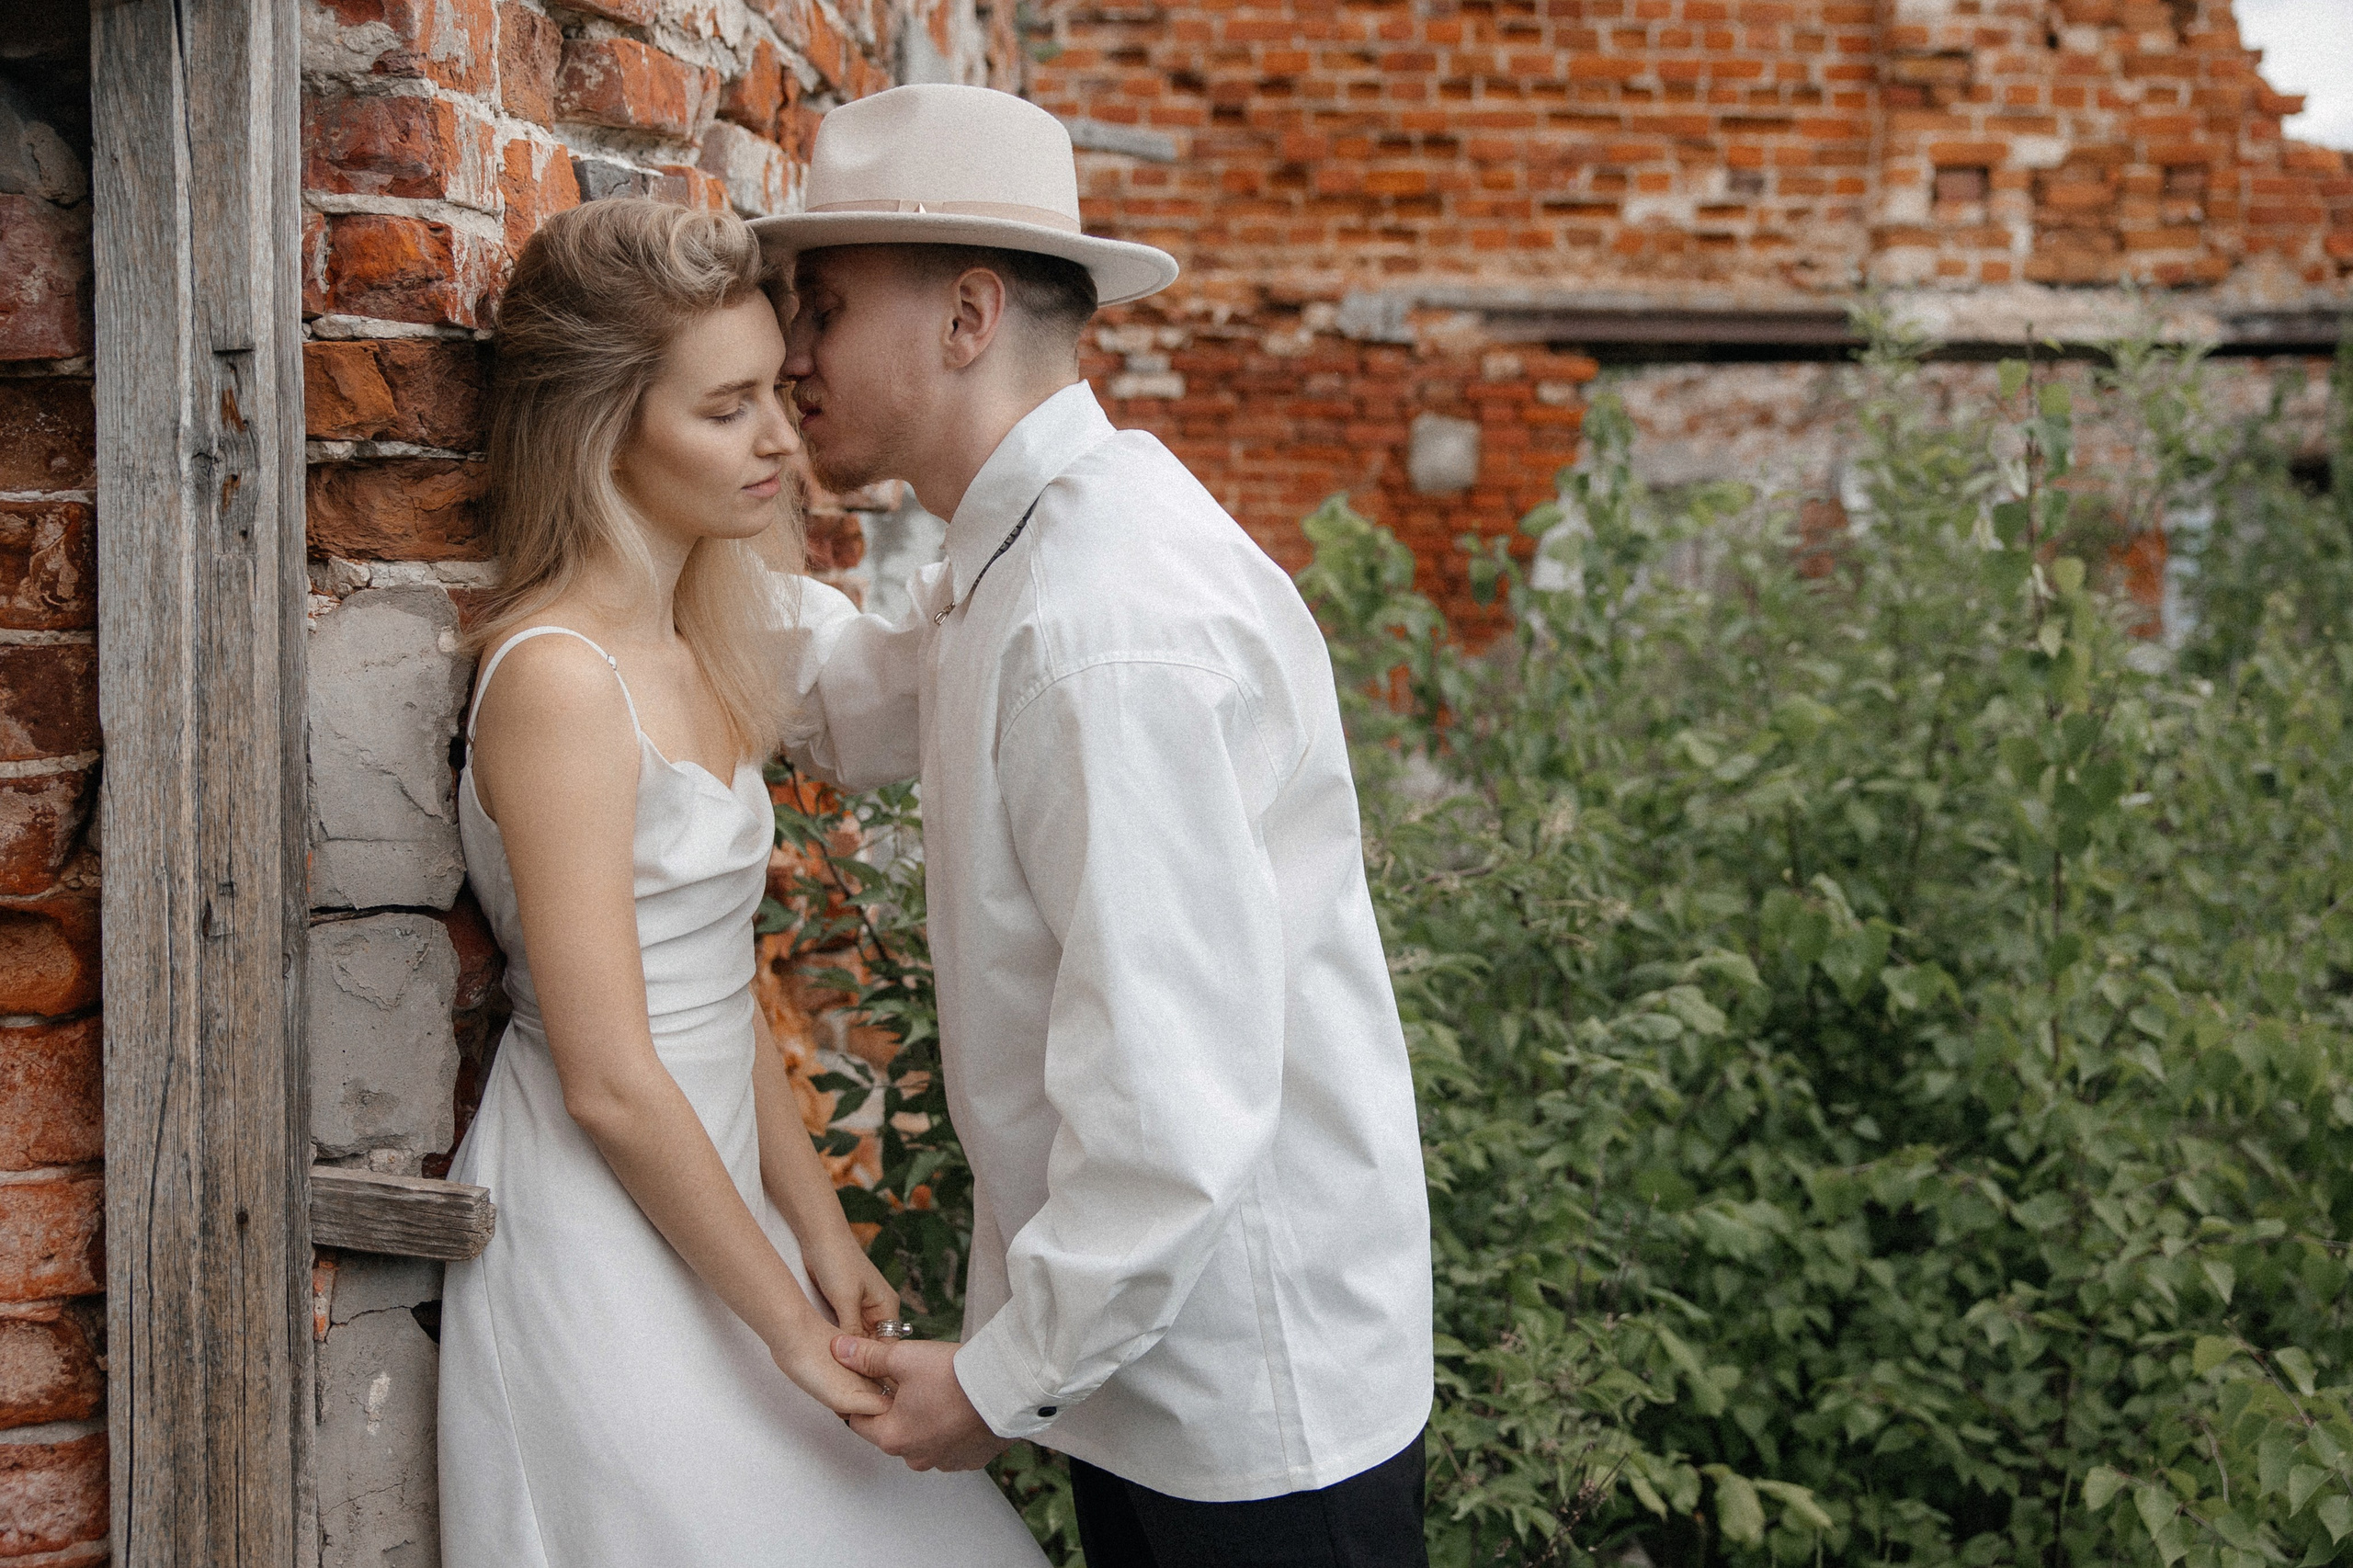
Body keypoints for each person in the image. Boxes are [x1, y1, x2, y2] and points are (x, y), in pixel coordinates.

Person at [762, 85, 1436, 1567]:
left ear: (967, 316)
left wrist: (994, 1384)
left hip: (1247, 1416)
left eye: (821, 306)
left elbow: (1171, 1103)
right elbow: (865, 692)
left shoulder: (1100, 621)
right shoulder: (1030, 549)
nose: (786, 355)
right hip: (1154, 1372)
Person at [435, 197, 1046, 1568]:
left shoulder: (699, 641)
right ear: (604, 430)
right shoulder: (557, 683)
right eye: (727, 408)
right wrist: (782, 1324)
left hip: (731, 1214)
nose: (782, 434)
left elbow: (713, 983)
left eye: (778, 385)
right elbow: (608, 1071)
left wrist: (820, 1233)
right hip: (609, 1237)